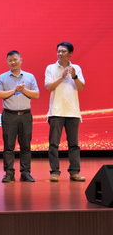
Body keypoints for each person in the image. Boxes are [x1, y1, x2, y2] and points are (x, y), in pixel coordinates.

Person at [0, 51, 39, 183]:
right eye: (10, 60)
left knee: (26, 146)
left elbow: (36, 94)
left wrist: (23, 90)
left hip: (25, 115)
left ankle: (25, 172)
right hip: (9, 115)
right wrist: (14, 90)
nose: (13, 62)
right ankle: (9, 173)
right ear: (7, 62)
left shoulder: (29, 77)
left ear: (21, 60)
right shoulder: (2, 77)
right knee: (8, 146)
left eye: (15, 59)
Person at [45, 41, 86, 182]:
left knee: (74, 144)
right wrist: (62, 76)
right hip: (56, 111)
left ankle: (74, 172)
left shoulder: (76, 68)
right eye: (59, 51)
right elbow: (48, 87)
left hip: (72, 111)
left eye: (63, 51)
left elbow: (81, 87)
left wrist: (74, 76)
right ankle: (54, 172)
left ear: (70, 53)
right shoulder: (51, 68)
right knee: (53, 144)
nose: (60, 53)